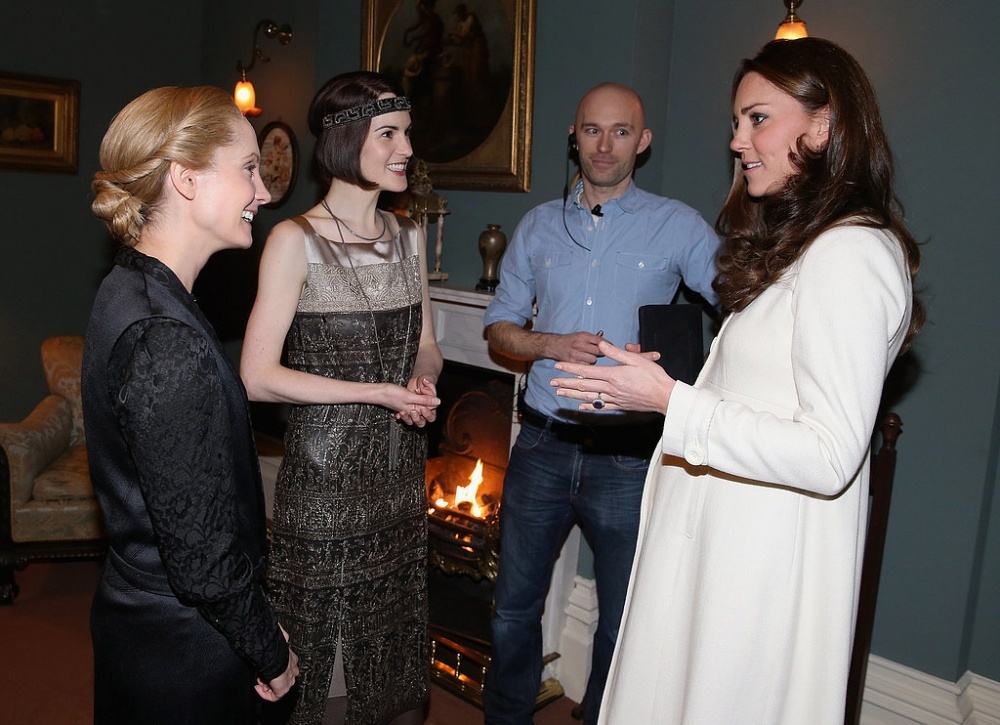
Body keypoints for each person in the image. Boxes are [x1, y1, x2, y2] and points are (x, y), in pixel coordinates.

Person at [552, 38, 925, 724]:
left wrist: (671, 401)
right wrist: (657, 384)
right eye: (736, 122)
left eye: (758, 119)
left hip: (758, 571)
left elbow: (829, 453)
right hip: (724, 550)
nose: (736, 141)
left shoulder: (850, 252)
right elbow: (764, 396)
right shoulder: (806, 246)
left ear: (823, 125)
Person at [481, 82, 721, 725]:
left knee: (622, 618)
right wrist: (549, 343)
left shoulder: (678, 225)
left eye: (621, 131)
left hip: (630, 458)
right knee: (512, 610)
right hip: (541, 445)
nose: (605, 145)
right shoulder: (537, 226)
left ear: (643, 141)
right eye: (592, 130)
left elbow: (742, 307)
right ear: (574, 136)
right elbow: (498, 327)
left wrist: (687, 380)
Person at [82, 86, 299, 724]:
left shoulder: (129, 286)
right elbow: (202, 557)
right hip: (184, 649)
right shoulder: (163, 336)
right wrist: (268, 650)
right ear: (185, 178)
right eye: (249, 169)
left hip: (145, 625)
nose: (263, 193)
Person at [240, 71, 443, 725]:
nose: (406, 148)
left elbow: (428, 345)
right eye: (389, 133)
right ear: (344, 139)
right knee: (328, 678)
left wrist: (422, 380)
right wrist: (378, 392)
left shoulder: (410, 235)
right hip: (325, 487)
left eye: (407, 133)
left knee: (392, 663)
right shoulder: (292, 240)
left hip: (399, 481)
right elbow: (256, 376)